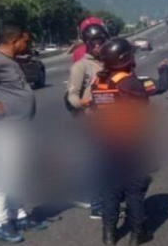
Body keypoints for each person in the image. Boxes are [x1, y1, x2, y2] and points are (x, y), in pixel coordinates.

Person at [88, 38, 168, 246]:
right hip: (130, 144)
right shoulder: (127, 81)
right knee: (134, 190)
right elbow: (158, 87)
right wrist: (164, 71)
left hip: (106, 144)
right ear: (124, 58)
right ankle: (137, 234)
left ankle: (108, 236)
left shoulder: (99, 82)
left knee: (111, 191)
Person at [0, 23, 48, 243]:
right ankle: (0, 223)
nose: (28, 45)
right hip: (3, 130)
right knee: (1, 179)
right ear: (15, 40)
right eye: (26, 41)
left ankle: (19, 215)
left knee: (15, 176)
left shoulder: (9, 61)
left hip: (17, 128)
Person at [65, 21, 110, 218]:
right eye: (94, 43)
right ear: (87, 44)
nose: (98, 45)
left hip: (111, 119)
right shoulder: (81, 66)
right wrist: (82, 103)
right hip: (92, 121)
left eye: (100, 41)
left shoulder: (109, 61)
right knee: (96, 164)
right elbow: (71, 95)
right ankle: (97, 206)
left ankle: (110, 201)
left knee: (111, 164)